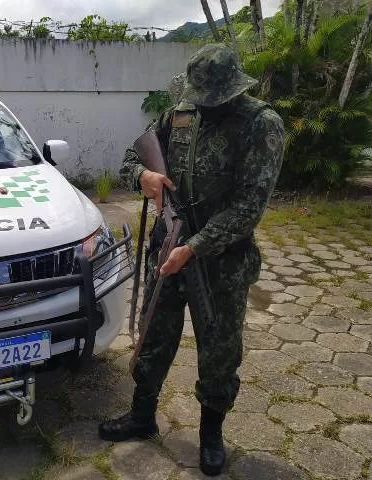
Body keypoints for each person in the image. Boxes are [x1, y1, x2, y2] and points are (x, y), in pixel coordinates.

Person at [98, 43, 285, 476]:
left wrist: (194, 248)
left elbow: (248, 209)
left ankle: (210, 437)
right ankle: (142, 418)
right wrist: (142, 175)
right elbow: (134, 154)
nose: (202, 104)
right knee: (153, 333)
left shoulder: (261, 124)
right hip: (168, 248)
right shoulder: (178, 114)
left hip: (219, 263)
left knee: (219, 354)